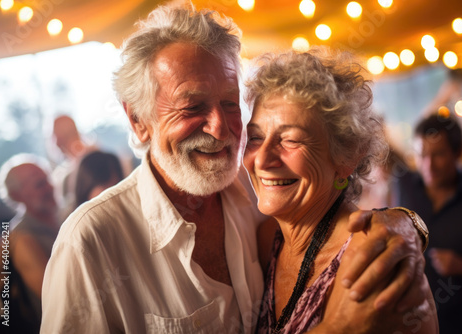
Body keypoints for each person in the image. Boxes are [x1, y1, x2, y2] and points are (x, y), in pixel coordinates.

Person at [42, 4, 429, 333]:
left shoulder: (265, 209)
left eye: (230, 103)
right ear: (138, 120)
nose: (220, 127)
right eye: (193, 106)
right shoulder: (90, 242)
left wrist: (405, 223)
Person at [243, 48, 438, 333]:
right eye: (256, 136)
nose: (261, 159)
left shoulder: (374, 259)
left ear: (347, 157)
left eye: (291, 140)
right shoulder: (265, 241)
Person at [394, 113, 462, 333]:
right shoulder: (405, 186)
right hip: (411, 324)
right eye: (421, 155)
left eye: (438, 154)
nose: (428, 165)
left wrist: (461, 266)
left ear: (458, 153)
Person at [0, 154, 60, 333]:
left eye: (47, 179)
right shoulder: (22, 239)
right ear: (17, 195)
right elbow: (57, 296)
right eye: (39, 184)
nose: (49, 187)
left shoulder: (62, 215)